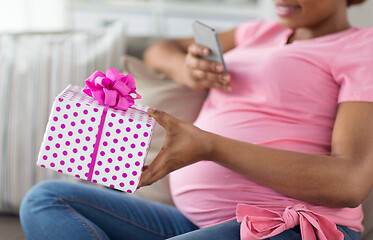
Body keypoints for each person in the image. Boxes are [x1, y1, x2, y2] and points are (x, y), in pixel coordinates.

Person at [20, 0, 373, 239]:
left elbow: (349, 183)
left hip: (287, 227)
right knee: (46, 200)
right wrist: (184, 69)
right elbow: (160, 49)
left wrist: (210, 146)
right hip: (195, 224)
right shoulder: (258, 32)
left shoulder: (362, 49)